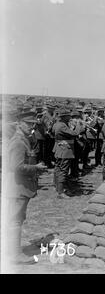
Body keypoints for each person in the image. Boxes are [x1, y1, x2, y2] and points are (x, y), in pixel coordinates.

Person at [4, 111, 48, 266]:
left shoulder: (23, 140)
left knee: (15, 219)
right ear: (19, 123)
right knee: (15, 221)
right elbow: (16, 167)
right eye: (29, 124)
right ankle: (15, 254)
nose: (32, 127)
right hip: (18, 187)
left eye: (33, 124)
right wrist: (36, 167)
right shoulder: (18, 142)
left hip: (19, 187)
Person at [53, 109, 84, 198]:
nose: (70, 117)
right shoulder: (62, 126)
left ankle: (58, 187)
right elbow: (75, 133)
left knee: (58, 168)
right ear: (64, 117)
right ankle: (61, 192)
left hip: (59, 147)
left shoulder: (57, 124)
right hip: (65, 149)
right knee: (63, 170)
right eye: (68, 116)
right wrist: (78, 125)